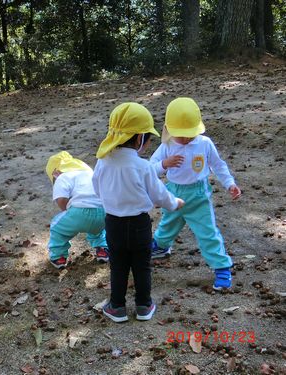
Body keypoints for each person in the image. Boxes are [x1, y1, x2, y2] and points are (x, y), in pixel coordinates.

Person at [92, 102, 184, 323]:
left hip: (113, 223)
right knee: (142, 266)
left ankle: (117, 307)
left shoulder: (103, 161)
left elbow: (96, 186)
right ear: (139, 138)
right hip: (140, 224)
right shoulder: (142, 166)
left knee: (118, 266)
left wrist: (110, 201)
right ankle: (144, 306)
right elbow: (159, 194)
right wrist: (175, 203)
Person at [150, 97, 241, 291]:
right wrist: (164, 164)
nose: (185, 139)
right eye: (180, 135)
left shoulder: (205, 143)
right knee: (167, 223)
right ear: (168, 129)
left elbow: (218, 165)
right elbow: (149, 169)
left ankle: (222, 267)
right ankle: (161, 246)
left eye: (189, 134)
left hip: (199, 196)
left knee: (208, 233)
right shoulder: (167, 145)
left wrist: (229, 183)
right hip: (173, 194)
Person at [45, 151, 109, 269]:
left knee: (56, 227)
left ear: (55, 173)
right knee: (97, 230)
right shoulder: (88, 174)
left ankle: (58, 256)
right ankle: (103, 249)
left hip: (78, 213)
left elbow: (61, 199)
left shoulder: (62, 177)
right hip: (103, 212)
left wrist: (67, 211)